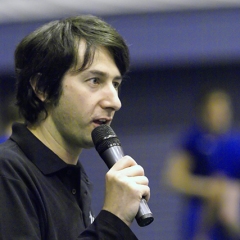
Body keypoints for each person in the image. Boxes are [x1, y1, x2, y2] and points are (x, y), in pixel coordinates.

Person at [0, 15, 150, 239]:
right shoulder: (8, 172)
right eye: (95, 81)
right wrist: (113, 219)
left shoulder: (75, 179)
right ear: (43, 88)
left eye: (116, 84)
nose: (115, 102)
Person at [165, 88, 240, 240]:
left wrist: (231, 191)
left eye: (224, 109)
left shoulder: (235, 142)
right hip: (199, 220)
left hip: (230, 219)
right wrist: (208, 187)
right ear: (204, 111)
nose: (221, 114)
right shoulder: (192, 139)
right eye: (215, 109)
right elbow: (174, 178)